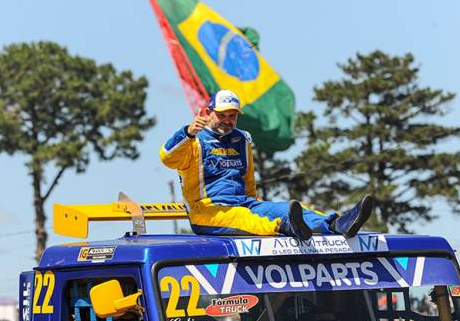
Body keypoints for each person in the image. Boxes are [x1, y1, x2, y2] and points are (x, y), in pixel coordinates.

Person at [160, 89, 374, 239]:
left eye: (232, 116)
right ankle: (285, 226)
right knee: (244, 218)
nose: (227, 120)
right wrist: (187, 132)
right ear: (208, 113)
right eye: (222, 115)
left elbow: (248, 179)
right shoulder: (193, 140)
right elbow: (167, 157)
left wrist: (258, 202)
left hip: (245, 203)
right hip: (207, 211)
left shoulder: (242, 139)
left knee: (283, 207)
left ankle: (337, 224)